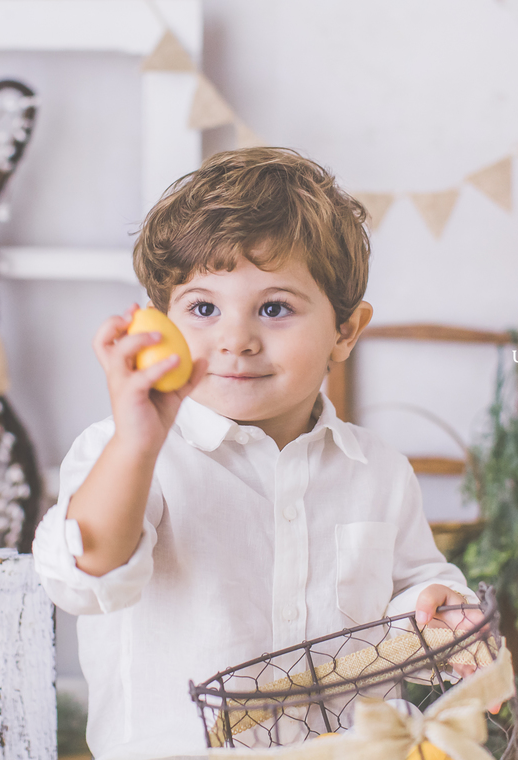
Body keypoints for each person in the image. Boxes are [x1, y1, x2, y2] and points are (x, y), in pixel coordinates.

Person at [32, 147, 480, 759]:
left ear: (346, 330)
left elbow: (409, 589)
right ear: (161, 324)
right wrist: (137, 444)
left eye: (274, 309)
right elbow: (85, 578)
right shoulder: (127, 455)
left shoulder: (378, 471)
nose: (236, 339)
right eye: (203, 308)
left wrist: (436, 608)